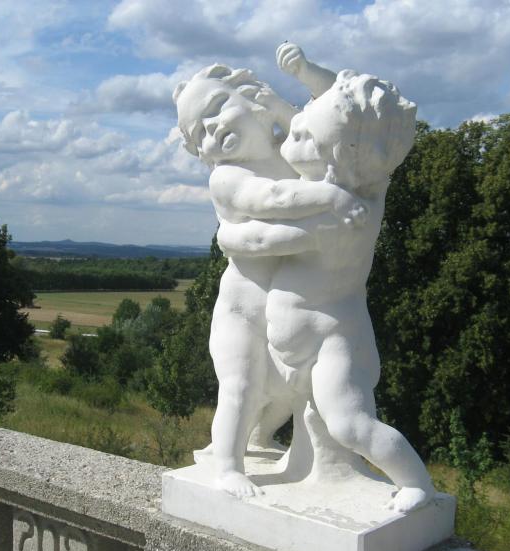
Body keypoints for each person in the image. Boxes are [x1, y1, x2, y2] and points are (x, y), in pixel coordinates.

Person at [217, 63, 435, 513]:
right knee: (304, 416)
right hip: (302, 342)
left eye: (303, 137)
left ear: (336, 159)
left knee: (350, 424)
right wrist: (304, 72)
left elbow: (257, 239)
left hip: (334, 341)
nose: (289, 134)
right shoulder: (347, 183)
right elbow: (341, 106)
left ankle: (416, 483)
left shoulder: (342, 215)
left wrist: (226, 234)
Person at [173, 63, 362, 497]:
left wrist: (286, 96)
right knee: (241, 387)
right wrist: (331, 199)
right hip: (241, 311)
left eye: (216, 108)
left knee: (289, 393)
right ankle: (228, 467)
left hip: (288, 309)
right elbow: (273, 198)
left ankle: (262, 440)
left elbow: (317, 120)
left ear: (251, 98)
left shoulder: (288, 150)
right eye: (199, 133)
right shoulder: (227, 177)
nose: (212, 129)